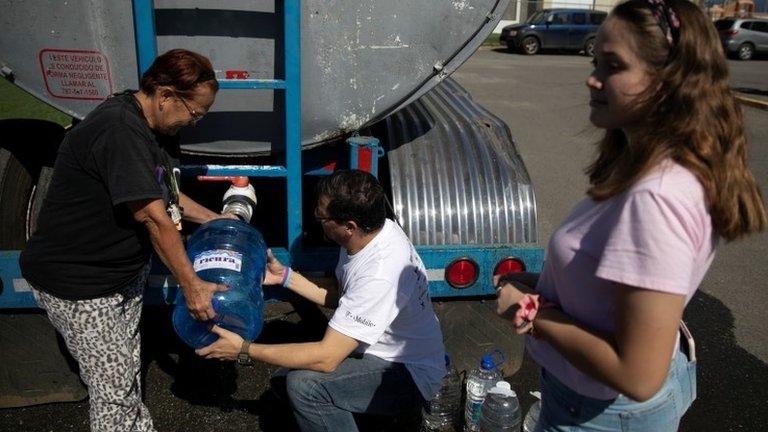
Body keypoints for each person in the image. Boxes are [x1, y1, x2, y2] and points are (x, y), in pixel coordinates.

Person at [493, 1, 767, 430]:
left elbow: (637, 375)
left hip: (599, 414)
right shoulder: (652, 167)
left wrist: (530, 313)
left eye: (613, 65)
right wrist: (549, 286)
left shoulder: (656, 198)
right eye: (595, 60)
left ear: (668, 83)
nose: (593, 77)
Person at [20, 49, 230, 432]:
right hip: (81, 286)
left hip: (118, 276)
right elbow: (154, 217)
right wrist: (192, 287)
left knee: (126, 372)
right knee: (113, 391)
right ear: (165, 95)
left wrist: (216, 219)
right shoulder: (119, 129)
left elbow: (166, 194)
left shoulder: (157, 128)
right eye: (195, 113)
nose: (195, 122)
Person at [197, 169, 447, 432]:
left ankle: (393, 415)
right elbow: (345, 295)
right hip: (383, 351)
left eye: (322, 216)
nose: (317, 218)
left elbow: (326, 358)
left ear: (349, 226)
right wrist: (285, 277)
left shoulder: (380, 273)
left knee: (305, 388)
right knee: (283, 381)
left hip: (409, 375)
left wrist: (244, 349)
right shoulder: (373, 232)